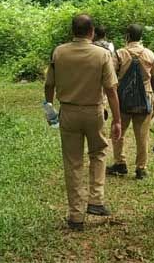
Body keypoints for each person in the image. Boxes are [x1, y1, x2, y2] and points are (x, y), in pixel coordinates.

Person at [45, 14, 123, 231]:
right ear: (91, 32)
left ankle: (76, 215)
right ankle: (96, 200)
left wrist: (49, 108)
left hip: (68, 112)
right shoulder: (102, 54)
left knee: (73, 161)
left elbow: (49, 85)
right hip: (94, 111)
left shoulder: (59, 52)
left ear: (73, 31)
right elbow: (111, 90)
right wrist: (117, 120)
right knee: (98, 153)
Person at [106, 24, 154, 180]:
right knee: (142, 135)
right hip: (145, 98)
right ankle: (141, 168)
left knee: (119, 132)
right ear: (141, 36)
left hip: (123, 99)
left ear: (127, 36)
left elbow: (112, 77)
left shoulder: (120, 54)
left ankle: (120, 163)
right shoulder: (149, 54)